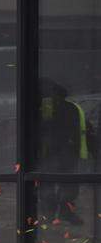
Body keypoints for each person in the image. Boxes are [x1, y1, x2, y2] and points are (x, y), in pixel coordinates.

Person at [38, 78, 95, 225]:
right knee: (61, 185)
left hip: (60, 153)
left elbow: (81, 130)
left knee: (58, 185)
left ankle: (54, 214)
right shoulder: (70, 108)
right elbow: (83, 130)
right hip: (60, 153)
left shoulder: (57, 108)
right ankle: (58, 213)